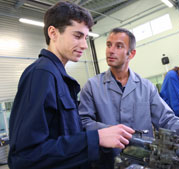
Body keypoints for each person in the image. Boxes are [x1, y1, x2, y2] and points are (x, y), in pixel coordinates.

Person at [8, 2, 134, 169]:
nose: (84, 45)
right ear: (53, 33)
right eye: (77, 36)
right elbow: (24, 157)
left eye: (85, 38)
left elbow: (64, 138)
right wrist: (95, 139)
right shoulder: (41, 75)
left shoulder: (59, 78)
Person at [79, 28, 179, 168]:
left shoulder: (146, 87)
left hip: (144, 161)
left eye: (118, 46)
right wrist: (108, 132)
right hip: (107, 161)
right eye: (108, 45)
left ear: (131, 54)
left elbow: (166, 119)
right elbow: (83, 121)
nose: (110, 50)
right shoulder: (92, 86)